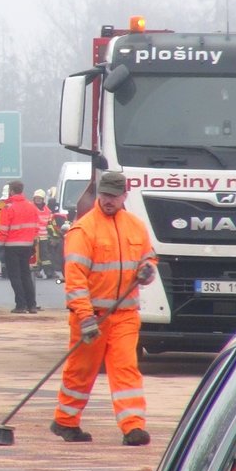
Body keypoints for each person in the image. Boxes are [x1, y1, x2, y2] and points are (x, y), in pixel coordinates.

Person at [51, 171, 157, 446]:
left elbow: (149, 258)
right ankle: (66, 422)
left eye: (113, 196)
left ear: (124, 196)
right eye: (104, 195)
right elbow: (75, 279)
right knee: (81, 371)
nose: (108, 200)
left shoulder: (136, 226)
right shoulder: (83, 230)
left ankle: (133, 427)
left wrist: (148, 270)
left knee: (126, 368)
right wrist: (85, 317)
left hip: (124, 316)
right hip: (92, 317)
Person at [0, 180, 40, 314]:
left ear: (11, 191)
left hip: (11, 246)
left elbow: (3, 230)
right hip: (27, 245)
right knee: (26, 274)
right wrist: (33, 242)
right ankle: (32, 305)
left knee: (15, 276)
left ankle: (20, 305)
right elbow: (36, 227)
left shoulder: (8, 208)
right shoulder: (31, 206)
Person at [31, 189, 57, 279]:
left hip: (44, 237)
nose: (38, 200)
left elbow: (50, 224)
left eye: (40, 198)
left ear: (43, 199)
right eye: (36, 198)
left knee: (44, 255)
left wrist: (54, 236)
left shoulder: (47, 211)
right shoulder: (31, 208)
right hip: (33, 237)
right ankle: (41, 272)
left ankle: (46, 272)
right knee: (35, 255)